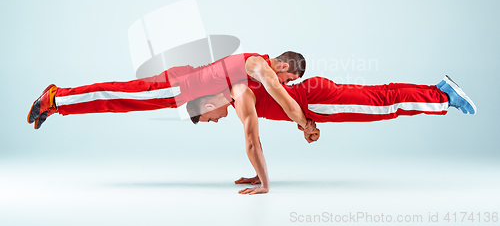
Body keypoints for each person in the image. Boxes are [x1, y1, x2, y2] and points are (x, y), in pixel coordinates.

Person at [186, 75, 476, 195]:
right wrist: (258, 174)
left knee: (381, 105)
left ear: (208, 105)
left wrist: (264, 183)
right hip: (315, 96)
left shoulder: (238, 95)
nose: (213, 121)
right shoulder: (237, 92)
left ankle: (444, 98)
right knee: (379, 95)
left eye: (207, 118)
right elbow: (276, 113)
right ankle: (438, 90)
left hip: (317, 102)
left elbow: (252, 142)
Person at [27, 51, 317, 140]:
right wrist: (305, 124)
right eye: (287, 78)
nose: (284, 84)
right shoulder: (259, 64)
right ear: (281, 66)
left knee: (118, 103)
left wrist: (301, 121)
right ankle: (55, 98)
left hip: (181, 86)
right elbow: (282, 98)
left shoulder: (255, 72)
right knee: (117, 95)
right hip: (182, 85)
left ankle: (57, 106)